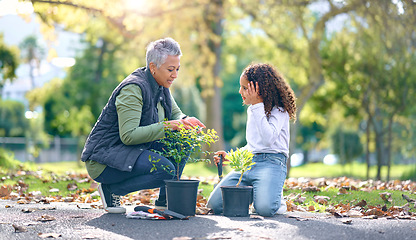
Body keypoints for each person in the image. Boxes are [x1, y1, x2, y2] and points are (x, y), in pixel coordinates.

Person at [80, 37, 205, 213]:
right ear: (153, 67)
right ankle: (110, 190)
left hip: (133, 149)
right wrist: (170, 126)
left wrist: (186, 120)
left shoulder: (161, 85)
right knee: (165, 170)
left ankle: (164, 200)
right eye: (170, 69)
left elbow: (176, 114)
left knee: (183, 141)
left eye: (177, 69)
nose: (175, 75)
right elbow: (129, 136)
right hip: (105, 157)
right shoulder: (133, 89)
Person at [207, 63, 297, 217]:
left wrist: (257, 105)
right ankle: (260, 190)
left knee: (264, 209)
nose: (240, 91)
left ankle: (275, 198)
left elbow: (268, 140)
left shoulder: (280, 110)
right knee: (215, 205)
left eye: (244, 87)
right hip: (249, 163)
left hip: (272, 163)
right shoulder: (252, 110)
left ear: (258, 89)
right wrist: (231, 156)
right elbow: (253, 145)